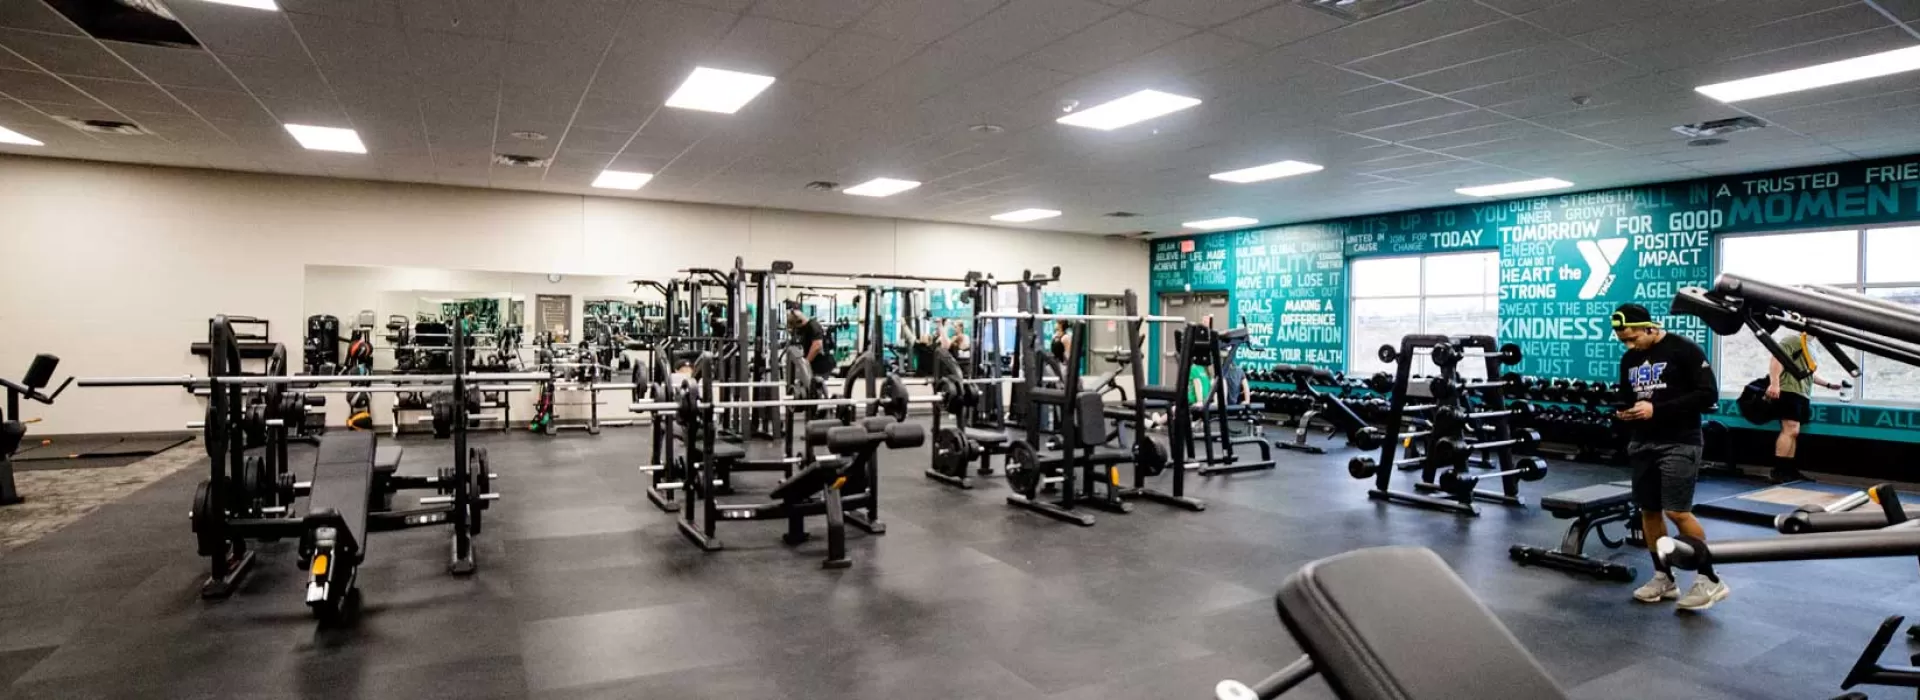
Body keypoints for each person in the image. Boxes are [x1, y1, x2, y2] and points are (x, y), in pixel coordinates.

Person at [1612, 303, 1727, 611]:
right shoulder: (1629, 359)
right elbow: (1627, 393)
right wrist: (1624, 409)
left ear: (1650, 328)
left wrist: (1656, 409)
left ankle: (1710, 579)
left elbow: (1708, 396)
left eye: (1632, 338)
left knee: (1677, 512)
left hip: (1679, 442)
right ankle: (1664, 577)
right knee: (1649, 512)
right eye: (1623, 340)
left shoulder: (1684, 349)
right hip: (1643, 442)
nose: (1629, 345)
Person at [1766, 330, 1845, 478]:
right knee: (1790, 429)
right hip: (1788, 390)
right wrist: (1775, 384)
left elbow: (1807, 372)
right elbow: (1777, 359)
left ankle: (1788, 469)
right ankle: (1778, 470)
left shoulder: (1810, 346)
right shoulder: (1793, 340)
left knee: (1794, 432)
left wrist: (1828, 385)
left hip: (1802, 393)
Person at [787, 304, 835, 378]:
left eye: (795, 326)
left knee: (815, 386)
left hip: (821, 366)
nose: (796, 329)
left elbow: (817, 345)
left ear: (799, 321)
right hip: (813, 365)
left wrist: (805, 363)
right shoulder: (803, 328)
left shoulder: (813, 326)